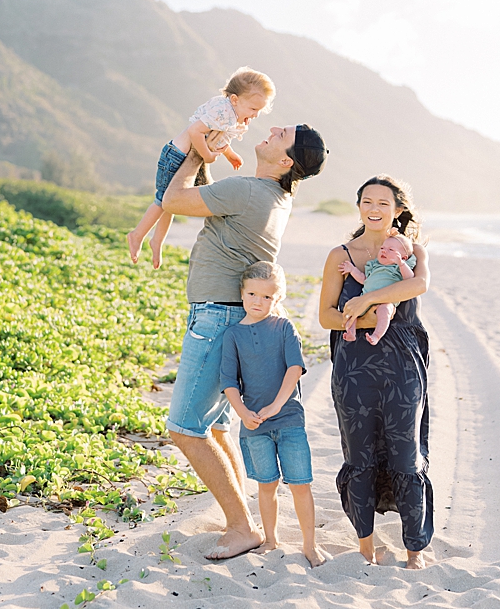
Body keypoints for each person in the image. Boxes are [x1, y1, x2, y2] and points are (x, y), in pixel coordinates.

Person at [162, 122, 327, 561]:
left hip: (215, 316)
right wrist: (208, 155)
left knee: (184, 428)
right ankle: (242, 518)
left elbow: (172, 199)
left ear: (286, 159)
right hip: (228, 316)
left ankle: (240, 525)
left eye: (281, 133)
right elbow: (217, 200)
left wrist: (197, 151)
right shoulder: (272, 196)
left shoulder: (251, 192)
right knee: (216, 426)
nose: (272, 128)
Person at [318, 175, 433, 569]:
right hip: (353, 365)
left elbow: (417, 287)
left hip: (402, 363)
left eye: (383, 203)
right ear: (359, 207)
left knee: (406, 454)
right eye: (367, 201)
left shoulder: (412, 251)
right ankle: (365, 546)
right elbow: (325, 316)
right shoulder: (339, 256)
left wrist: (366, 302)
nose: (374, 208)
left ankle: (415, 549)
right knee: (360, 454)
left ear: (398, 211)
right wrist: (366, 318)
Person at [220, 261, 327, 568]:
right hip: (254, 424)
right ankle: (270, 540)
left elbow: (295, 368)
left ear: (277, 298)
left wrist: (277, 405)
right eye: (252, 294)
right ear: (242, 293)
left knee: (300, 483)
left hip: (288, 418)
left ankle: (309, 545)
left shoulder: (284, 328)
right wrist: (243, 413)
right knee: (266, 485)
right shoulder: (233, 336)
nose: (258, 301)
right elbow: (229, 381)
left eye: (267, 297)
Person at [128, 67, 276, 268]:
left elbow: (217, 136)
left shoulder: (229, 112)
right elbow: (195, 131)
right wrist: (207, 155)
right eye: (252, 109)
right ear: (235, 100)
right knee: (163, 200)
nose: (255, 115)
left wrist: (230, 155)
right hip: (176, 155)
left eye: (259, 110)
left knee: (172, 202)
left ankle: (157, 240)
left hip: (182, 155)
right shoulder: (224, 112)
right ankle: (137, 235)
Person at [337, 232, 416, 345]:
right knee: (353, 310)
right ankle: (351, 332)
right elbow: (364, 280)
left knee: (385, 312)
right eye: (382, 248)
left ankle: (377, 335)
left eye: (391, 250)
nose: (384, 251)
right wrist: (352, 270)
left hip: (386, 301)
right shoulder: (374, 266)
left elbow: (410, 279)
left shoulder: (397, 268)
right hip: (364, 299)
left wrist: (401, 264)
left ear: (403, 257)